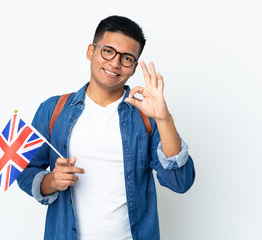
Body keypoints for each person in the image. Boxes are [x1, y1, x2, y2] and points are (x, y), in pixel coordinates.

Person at [17, 15, 195, 240]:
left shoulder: (146, 116)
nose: (115, 63)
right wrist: (51, 181)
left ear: (133, 68)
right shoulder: (52, 109)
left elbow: (180, 182)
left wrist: (164, 118)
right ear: (91, 51)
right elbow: (24, 170)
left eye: (127, 58)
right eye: (108, 51)